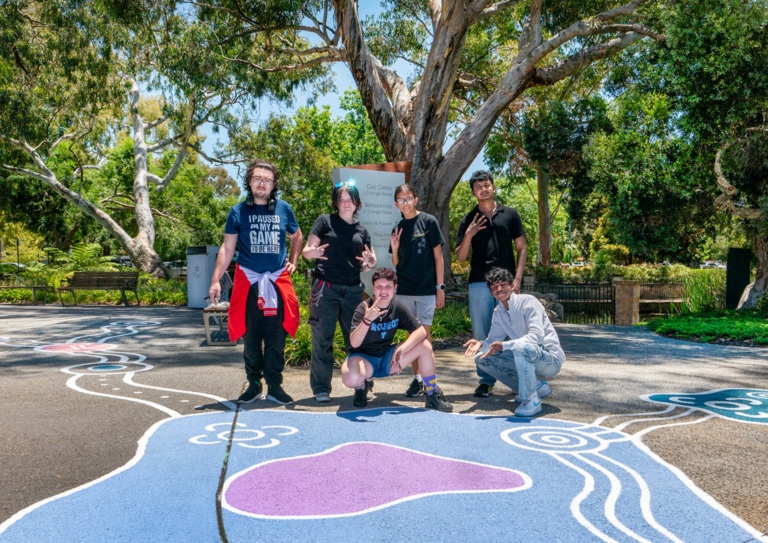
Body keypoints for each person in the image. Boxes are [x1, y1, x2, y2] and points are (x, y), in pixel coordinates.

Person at [209, 159, 303, 405]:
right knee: (251, 338)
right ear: (249, 181)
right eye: (257, 178)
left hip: (276, 283)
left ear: (274, 185)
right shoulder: (237, 212)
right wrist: (216, 280)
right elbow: (227, 248)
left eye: (267, 180)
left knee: (276, 338)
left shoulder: (284, 208)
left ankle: (275, 386)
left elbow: (297, 235)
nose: (262, 183)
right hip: (248, 283)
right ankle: (253, 385)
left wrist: (294, 260)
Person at [303, 181, 377, 403]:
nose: (346, 203)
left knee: (356, 340)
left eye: (350, 199)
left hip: (353, 290)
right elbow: (307, 251)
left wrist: (371, 263)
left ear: (357, 203)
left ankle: (361, 384)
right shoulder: (324, 221)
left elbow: (368, 263)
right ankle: (321, 387)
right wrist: (312, 252)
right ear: (336, 202)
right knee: (322, 338)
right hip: (324, 289)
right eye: (342, 199)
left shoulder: (362, 230)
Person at [456, 170, 526, 398]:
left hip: (506, 284)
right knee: (482, 333)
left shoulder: (511, 214)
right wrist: (468, 235)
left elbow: (522, 248)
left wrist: (517, 279)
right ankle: (486, 380)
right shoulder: (469, 219)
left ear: (493, 187)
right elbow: (460, 257)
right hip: (479, 282)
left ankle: (522, 378)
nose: (483, 189)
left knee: (515, 331)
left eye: (486, 185)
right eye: (478, 187)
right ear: (473, 192)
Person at [341, 267, 453, 411]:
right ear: (373, 288)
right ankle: (362, 387)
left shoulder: (397, 307)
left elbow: (420, 331)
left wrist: (402, 350)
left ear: (395, 289)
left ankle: (432, 394)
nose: (383, 291)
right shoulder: (363, 308)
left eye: (388, 287)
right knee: (351, 378)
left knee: (424, 346)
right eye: (379, 287)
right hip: (364, 359)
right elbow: (354, 343)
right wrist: (367, 320)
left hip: (387, 358)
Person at [463, 267, 565, 417]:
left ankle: (531, 400)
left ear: (512, 286)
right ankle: (536, 387)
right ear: (491, 293)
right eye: (494, 287)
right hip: (525, 354)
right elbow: (493, 341)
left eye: (503, 284)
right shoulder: (499, 312)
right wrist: (481, 344)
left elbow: (536, 337)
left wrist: (505, 345)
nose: (499, 289)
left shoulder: (528, 302)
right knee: (482, 359)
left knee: (520, 347)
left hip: (550, 359)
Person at [389, 184, 446, 397]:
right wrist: (394, 248)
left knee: (425, 335)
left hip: (426, 290)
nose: (405, 203)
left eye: (408, 198)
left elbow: (439, 257)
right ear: (396, 204)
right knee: (412, 336)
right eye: (401, 200)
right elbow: (396, 263)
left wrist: (440, 288)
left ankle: (431, 383)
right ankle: (417, 380)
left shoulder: (429, 221)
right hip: (404, 289)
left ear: (416, 199)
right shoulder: (398, 227)